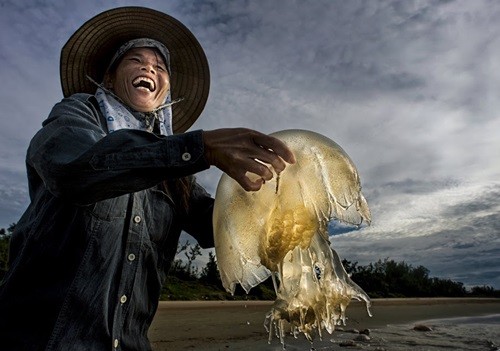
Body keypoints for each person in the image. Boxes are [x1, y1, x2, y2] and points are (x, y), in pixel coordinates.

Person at [0, 7, 295, 351]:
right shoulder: (76, 116)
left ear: (165, 90)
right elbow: (74, 170)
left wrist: (281, 215)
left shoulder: (174, 177)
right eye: (135, 60)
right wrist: (201, 147)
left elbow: (219, 223)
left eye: (159, 67)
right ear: (108, 78)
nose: (148, 68)